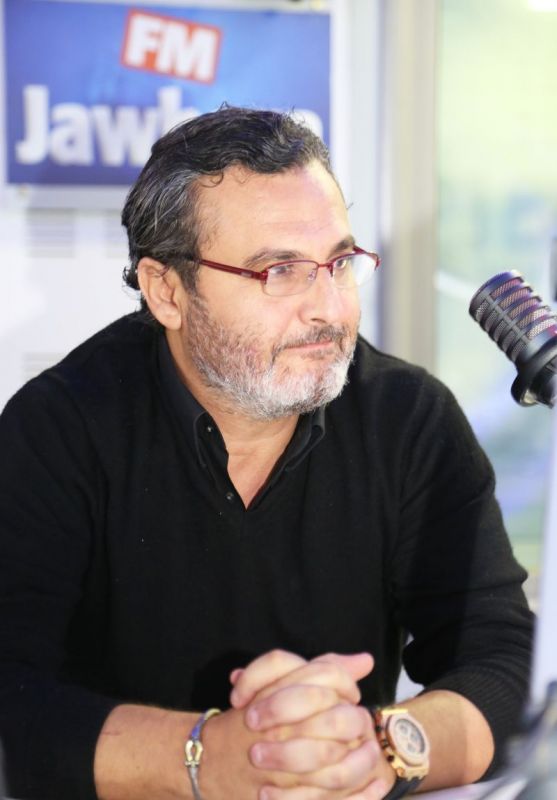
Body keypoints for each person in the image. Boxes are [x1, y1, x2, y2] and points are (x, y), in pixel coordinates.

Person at [0, 106, 533, 800]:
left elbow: (502, 661)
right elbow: (14, 695)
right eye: (280, 270)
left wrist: (379, 748)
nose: (328, 309)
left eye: (339, 263)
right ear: (167, 291)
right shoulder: (57, 429)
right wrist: (207, 758)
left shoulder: (408, 418)